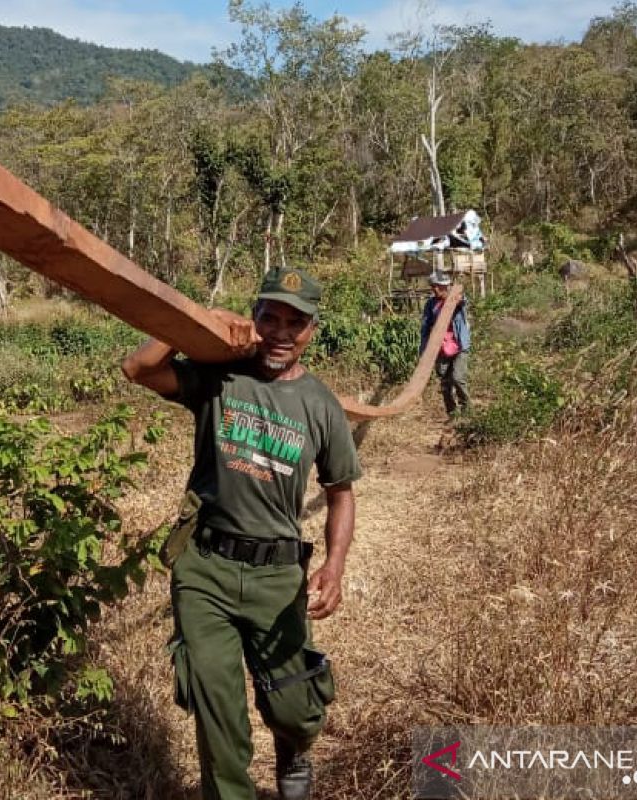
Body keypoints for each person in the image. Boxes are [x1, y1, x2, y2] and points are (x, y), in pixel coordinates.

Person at [121, 267, 362, 800]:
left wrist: (335, 564)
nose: (279, 332)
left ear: (312, 331)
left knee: (295, 711)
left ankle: (292, 746)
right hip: (204, 569)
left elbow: (341, 490)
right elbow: (137, 369)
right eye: (268, 317)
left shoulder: (321, 406)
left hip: (277, 577)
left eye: (294, 323)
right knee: (219, 721)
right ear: (253, 319)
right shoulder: (218, 377)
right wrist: (198, 326)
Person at [419, 270, 471, 417]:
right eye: (433, 286)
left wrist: (458, 296)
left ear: (445, 286)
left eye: (438, 286)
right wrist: (424, 351)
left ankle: (468, 411)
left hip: (459, 345)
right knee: (445, 384)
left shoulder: (455, 299)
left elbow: (464, 300)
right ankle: (452, 414)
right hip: (441, 348)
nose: (435, 289)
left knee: (458, 378)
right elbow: (425, 328)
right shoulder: (431, 304)